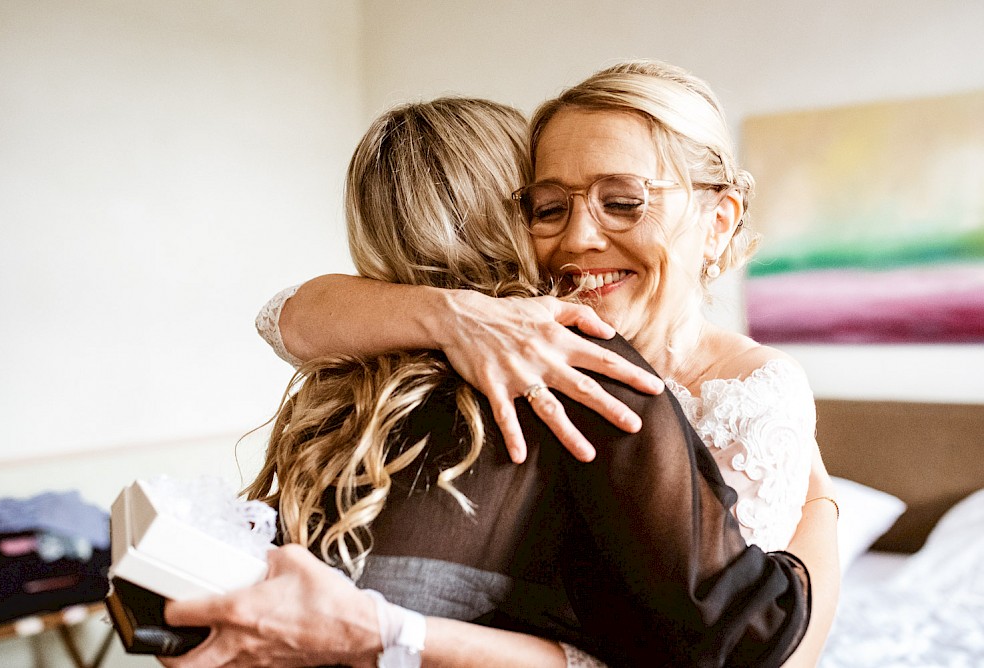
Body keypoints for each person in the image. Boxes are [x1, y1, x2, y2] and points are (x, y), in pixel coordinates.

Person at [167, 61, 837, 666]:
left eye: (625, 201)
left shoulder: (740, 391)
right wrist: (452, 314)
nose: (579, 237)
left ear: (718, 222)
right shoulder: (500, 352)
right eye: (549, 207)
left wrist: (823, 507)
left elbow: (745, 647)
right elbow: (283, 316)